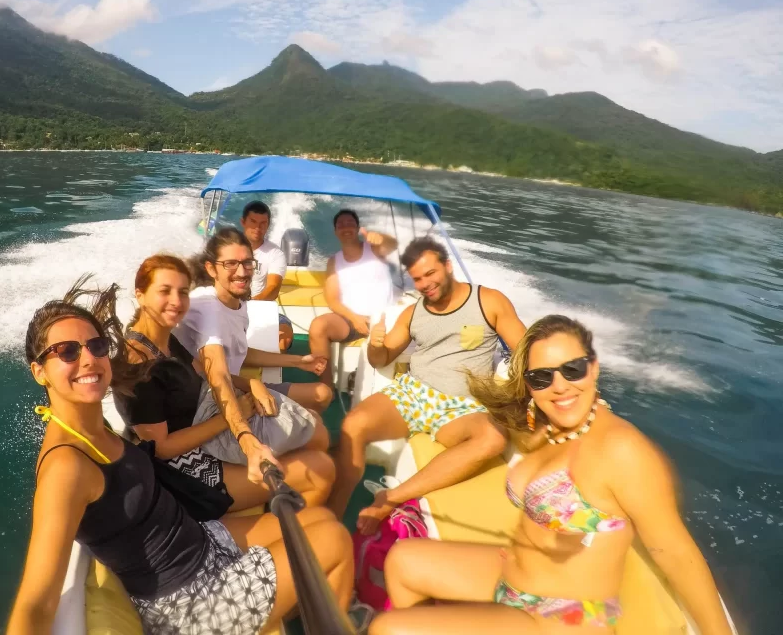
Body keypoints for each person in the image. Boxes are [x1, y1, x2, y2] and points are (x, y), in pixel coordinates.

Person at [6, 277, 355, 635]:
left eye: (96, 346)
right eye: (66, 351)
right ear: (39, 372)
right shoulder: (66, 466)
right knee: (336, 541)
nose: (88, 359)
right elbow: (37, 602)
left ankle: (302, 606)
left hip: (199, 542)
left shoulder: (92, 427)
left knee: (316, 520)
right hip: (190, 599)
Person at [369, 315, 734, 635]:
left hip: (565, 618)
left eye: (572, 369)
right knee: (403, 560)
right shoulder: (548, 429)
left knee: (387, 629)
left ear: (594, 368)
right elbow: (503, 427)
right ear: (529, 384)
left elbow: (674, 551)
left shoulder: (621, 449)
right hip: (513, 579)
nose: (559, 386)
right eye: (542, 377)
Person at [328, 237, 526, 531]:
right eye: (417, 279)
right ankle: (332, 516)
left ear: (448, 266)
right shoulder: (412, 313)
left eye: (430, 273)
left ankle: (390, 498)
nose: (424, 284)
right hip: (414, 392)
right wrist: (376, 344)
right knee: (352, 425)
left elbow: (525, 351)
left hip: (463, 406)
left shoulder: (489, 301)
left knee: (493, 438)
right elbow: (379, 358)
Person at [115, 254, 335, 512]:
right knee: (321, 468)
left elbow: (207, 373)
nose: (176, 301)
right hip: (184, 471)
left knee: (314, 426)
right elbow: (161, 449)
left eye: (183, 292)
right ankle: (295, 537)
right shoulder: (137, 367)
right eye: (165, 291)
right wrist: (235, 415)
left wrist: (251, 384)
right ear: (140, 295)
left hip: (207, 429)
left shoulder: (166, 338)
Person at [178, 227, 335, 417]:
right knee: (314, 425)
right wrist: (253, 386)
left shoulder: (238, 303)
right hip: (211, 399)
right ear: (211, 269)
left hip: (235, 386)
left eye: (247, 263)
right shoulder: (207, 308)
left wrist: (298, 361)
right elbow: (217, 376)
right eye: (231, 264)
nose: (242, 272)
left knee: (322, 394)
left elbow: (239, 351)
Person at [308, 209, 398, 386]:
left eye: (350, 223)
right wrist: (354, 318)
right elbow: (333, 299)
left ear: (357, 228)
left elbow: (392, 245)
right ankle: (326, 389)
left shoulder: (374, 249)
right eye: (341, 225)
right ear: (335, 231)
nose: (346, 227)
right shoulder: (334, 261)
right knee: (318, 326)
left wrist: (381, 238)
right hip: (351, 320)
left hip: (383, 318)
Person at [240, 200, 293, 351]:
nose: (258, 227)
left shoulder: (275, 254)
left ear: (268, 225)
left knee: (283, 337)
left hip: (261, 309)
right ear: (243, 222)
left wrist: (251, 304)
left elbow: (273, 288)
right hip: (229, 309)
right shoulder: (229, 249)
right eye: (253, 222)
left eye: (263, 223)